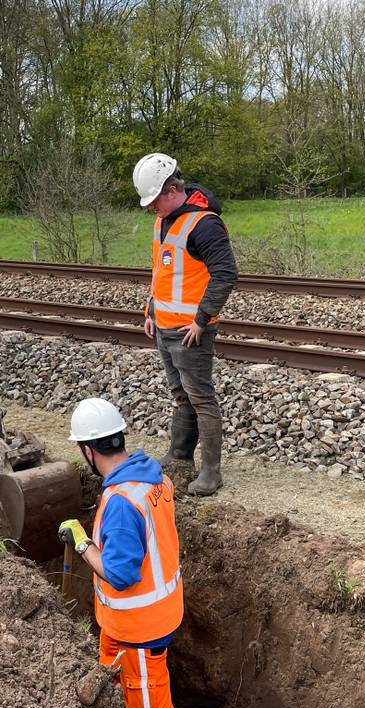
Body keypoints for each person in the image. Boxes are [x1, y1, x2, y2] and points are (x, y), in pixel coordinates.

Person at [59, 397, 182, 708]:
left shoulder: (121, 502)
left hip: (141, 629)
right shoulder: (153, 479)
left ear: (88, 450)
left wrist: (83, 544)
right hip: (132, 620)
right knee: (109, 678)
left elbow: (120, 574)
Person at [133, 152, 238, 496]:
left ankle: (211, 472)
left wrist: (202, 319)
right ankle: (180, 455)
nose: (151, 208)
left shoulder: (205, 224)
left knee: (201, 398)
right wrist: (151, 309)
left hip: (190, 331)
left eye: (154, 201)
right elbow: (163, 271)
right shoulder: (163, 219)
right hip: (163, 327)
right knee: (181, 396)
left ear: (172, 189)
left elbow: (225, 274)